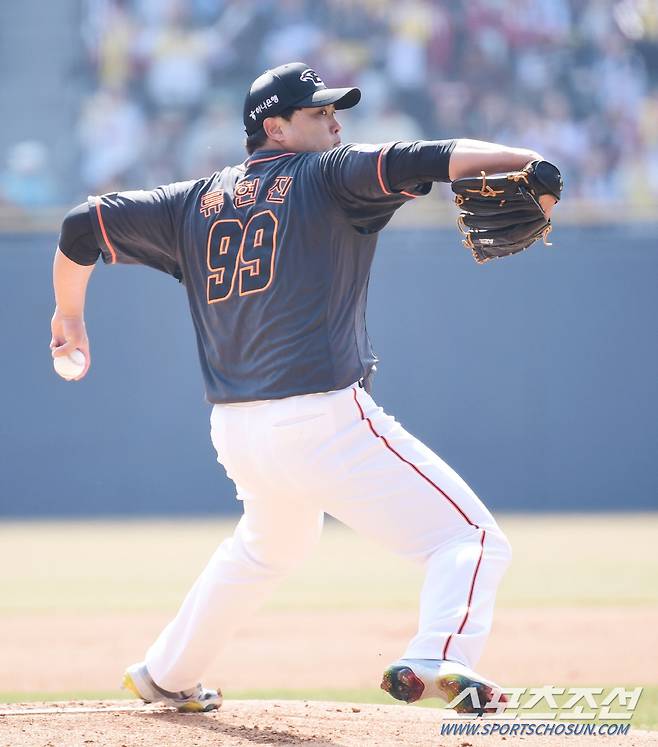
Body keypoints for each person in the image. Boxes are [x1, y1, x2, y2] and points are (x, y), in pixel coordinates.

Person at [51, 62, 557, 714]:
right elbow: (431, 155)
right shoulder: (327, 173)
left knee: (273, 543)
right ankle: (439, 653)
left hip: (236, 429)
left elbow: (78, 226)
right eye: (320, 112)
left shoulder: (190, 202)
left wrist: (68, 317)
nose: (335, 121)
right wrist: (531, 159)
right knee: (472, 540)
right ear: (275, 125)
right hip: (322, 418)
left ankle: (166, 671)